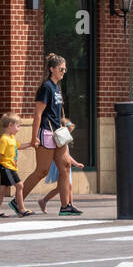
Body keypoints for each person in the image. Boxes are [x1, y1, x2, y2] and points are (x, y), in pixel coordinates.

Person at [21, 53, 82, 216]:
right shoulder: (46, 87)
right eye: (61, 69)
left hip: (58, 134)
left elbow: (56, 113)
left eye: (65, 68)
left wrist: (65, 122)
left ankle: (66, 206)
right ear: (52, 69)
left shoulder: (57, 87)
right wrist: (34, 137)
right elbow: (38, 114)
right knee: (42, 171)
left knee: (66, 166)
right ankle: (17, 201)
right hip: (46, 134)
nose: (64, 71)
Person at [38, 119, 85, 214]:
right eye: (69, 131)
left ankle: (67, 204)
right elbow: (66, 157)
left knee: (63, 187)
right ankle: (67, 204)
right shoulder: (60, 139)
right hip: (60, 166)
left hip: (66, 166)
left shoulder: (64, 140)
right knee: (65, 186)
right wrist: (76, 163)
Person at [0, 112, 30, 216]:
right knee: (20, 185)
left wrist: (30, 144)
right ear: (10, 125)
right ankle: (21, 209)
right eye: (17, 126)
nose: (19, 129)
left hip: (10, 167)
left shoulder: (12, 138)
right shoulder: (4, 139)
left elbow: (19, 146)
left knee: (3, 190)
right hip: (7, 167)